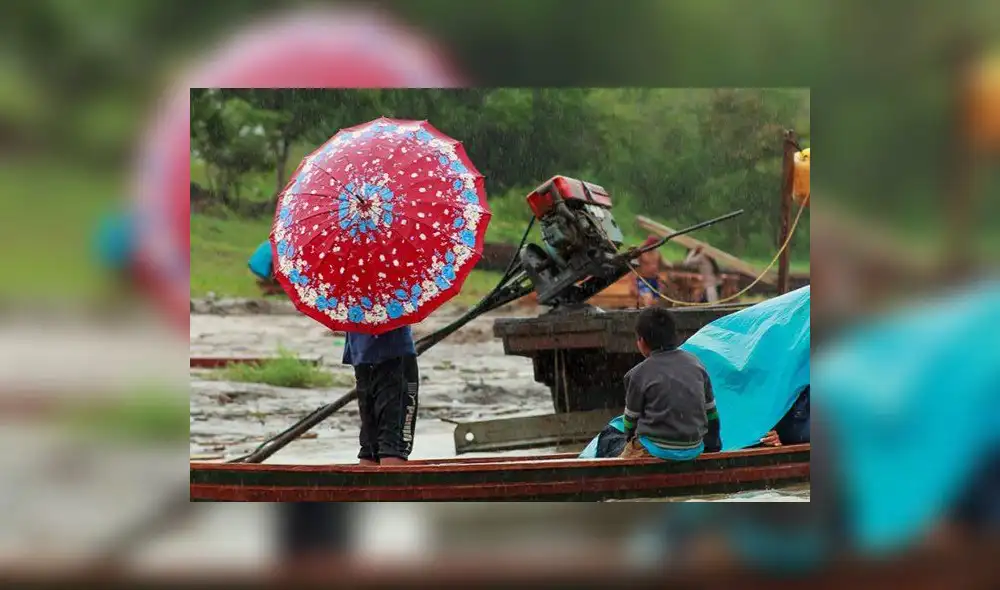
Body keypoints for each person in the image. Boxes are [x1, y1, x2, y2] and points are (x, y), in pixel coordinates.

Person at [620, 307, 722, 460]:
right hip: (693, 448)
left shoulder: (637, 374)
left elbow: (629, 422)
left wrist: (629, 438)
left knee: (619, 453)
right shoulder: (697, 365)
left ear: (641, 341)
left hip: (656, 449)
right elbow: (712, 415)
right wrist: (714, 446)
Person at [343, 327, 419, 466]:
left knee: (371, 447)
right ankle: (390, 485)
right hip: (394, 353)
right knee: (394, 444)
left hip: (361, 353)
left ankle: (368, 487)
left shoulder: (348, 306)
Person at [629, 235, 665, 308]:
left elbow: (663, 265)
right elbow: (633, 269)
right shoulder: (641, 253)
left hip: (654, 280)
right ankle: (648, 315)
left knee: (658, 300)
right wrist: (633, 284)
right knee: (648, 297)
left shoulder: (657, 253)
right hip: (643, 280)